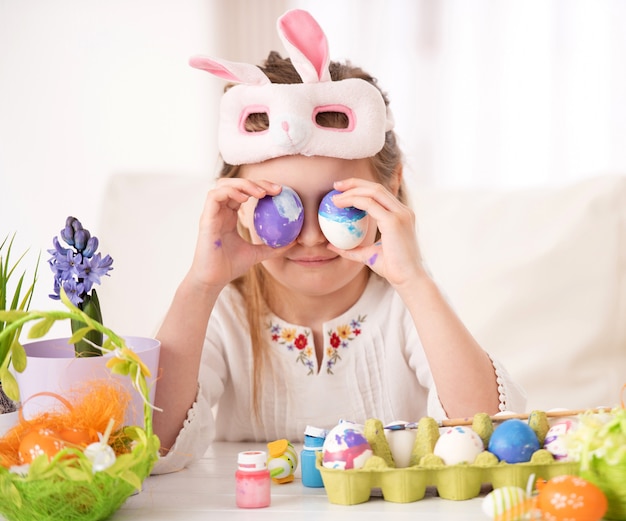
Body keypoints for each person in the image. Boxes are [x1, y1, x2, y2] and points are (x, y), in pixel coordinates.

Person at [152, 9, 526, 474]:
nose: (310, 236)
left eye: (340, 206)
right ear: (236, 205)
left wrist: (416, 283)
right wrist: (199, 286)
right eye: (278, 208)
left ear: (389, 191)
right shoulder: (221, 312)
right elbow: (150, 445)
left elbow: (490, 437)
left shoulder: (407, 306)